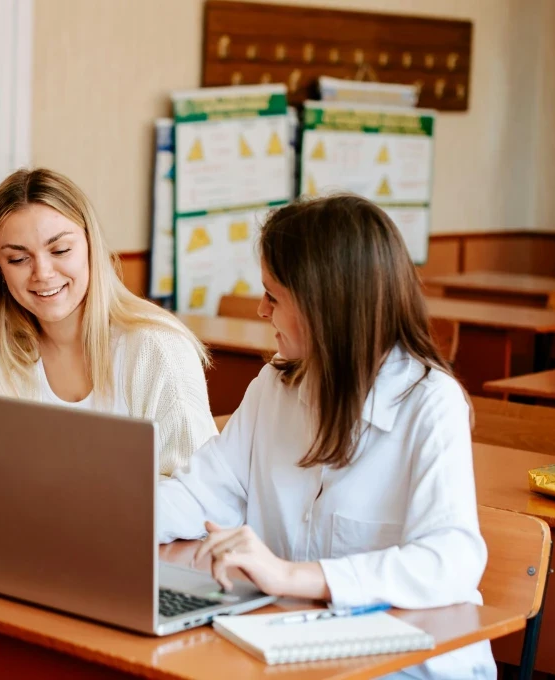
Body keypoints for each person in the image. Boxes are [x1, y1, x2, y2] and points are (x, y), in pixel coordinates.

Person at [157, 195, 492, 680]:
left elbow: (450, 561)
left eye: (274, 295)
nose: (260, 309)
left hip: (407, 667)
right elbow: (200, 493)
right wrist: (107, 518)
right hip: (290, 647)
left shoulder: (430, 402)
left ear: (325, 306)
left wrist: (294, 575)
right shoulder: (277, 383)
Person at [0, 168, 217, 487]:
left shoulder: (157, 348)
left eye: (60, 250)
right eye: (18, 259)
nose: (42, 273)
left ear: (90, 246)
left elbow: (198, 489)